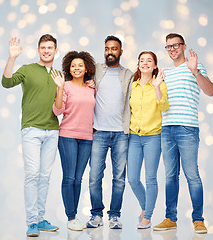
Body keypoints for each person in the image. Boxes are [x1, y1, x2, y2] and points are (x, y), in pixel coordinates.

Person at [154, 33, 213, 234]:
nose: (172, 49)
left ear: (183, 46)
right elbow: (159, 101)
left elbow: (210, 91)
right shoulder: (165, 73)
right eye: (168, 46)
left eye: (175, 45)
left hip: (187, 128)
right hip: (166, 128)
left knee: (192, 175)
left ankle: (198, 219)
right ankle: (170, 218)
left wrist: (196, 71)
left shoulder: (194, 67)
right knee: (170, 176)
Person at [1, 34, 60, 237]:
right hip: (31, 130)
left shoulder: (58, 74)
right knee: (32, 174)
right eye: (43, 47)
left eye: (50, 48)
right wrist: (12, 58)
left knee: (44, 176)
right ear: (38, 50)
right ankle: (32, 222)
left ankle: (41, 218)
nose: (46, 51)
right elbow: (6, 83)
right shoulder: (27, 69)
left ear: (55, 51)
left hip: (52, 130)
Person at [86, 36, 134, 229]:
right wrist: (88, 84)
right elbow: (74, 74)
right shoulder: (96, 70)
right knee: (94, 176)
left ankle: (114, 215)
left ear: (120, 52)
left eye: (114, 49)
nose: (110, 52)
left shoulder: (129, 74)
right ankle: (96, 214)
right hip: (98, 132)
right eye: (107, 48)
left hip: (121, 133)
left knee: (119, 178)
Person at [52, 51, 96, 231]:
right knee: (69, 177)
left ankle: (75, 215)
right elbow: (57, 111)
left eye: (80, 65)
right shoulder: (66, 86)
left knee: (78, 179)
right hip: (68, 136)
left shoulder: (91, 88)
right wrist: (60, 88)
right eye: (73, 66)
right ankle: (71, 217)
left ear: (86, 68)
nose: (76, 68)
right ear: (69, 68)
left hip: (86, 137)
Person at [127, 51, 169, 229]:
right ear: (138, 64)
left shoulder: (160, 84)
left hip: (153, 136)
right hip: (134, 137)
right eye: (142, 61)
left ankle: (148, 216)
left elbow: (164, 106)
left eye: (149, 61)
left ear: (154, 65)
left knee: (150, 178)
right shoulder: (133, 85)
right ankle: (145, 208)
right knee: (132, 178)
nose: (145, 63)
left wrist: (157, 86)